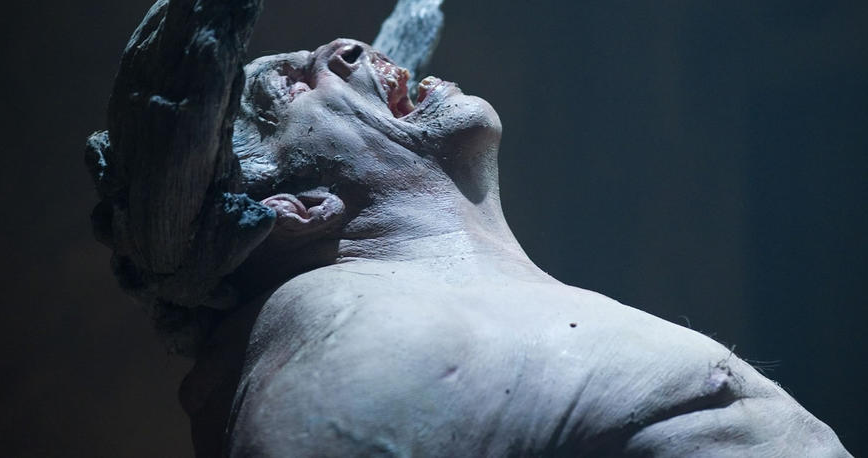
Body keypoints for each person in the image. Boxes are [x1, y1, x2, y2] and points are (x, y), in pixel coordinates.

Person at [177, 38, 851, 457]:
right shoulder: (343, 313)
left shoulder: (410, 307)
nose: (344, 48)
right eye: (287, 89)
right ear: (294, 210)